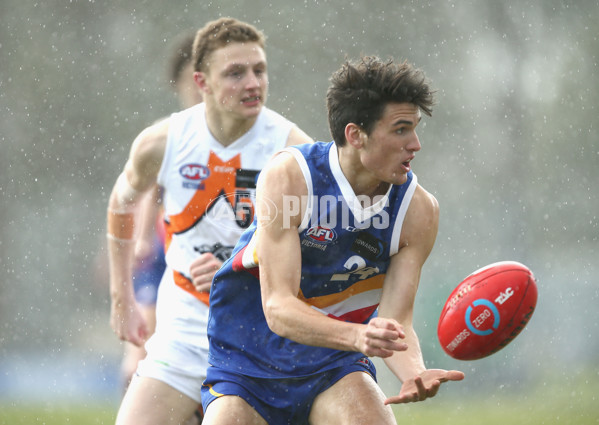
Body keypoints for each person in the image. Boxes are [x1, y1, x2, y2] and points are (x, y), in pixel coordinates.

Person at [201, 56, 465, 425]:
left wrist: (413, 373)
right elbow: (278, 307)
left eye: (415, 129)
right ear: (356, 134)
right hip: (248, 364)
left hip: (332, 364)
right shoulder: (290, 179)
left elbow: (395, 318)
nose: (416, 144)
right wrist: (358, 337)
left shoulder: (418, 212)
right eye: (401, 129)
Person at [106, 18, 313, 425]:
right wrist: (121, 298)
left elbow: (316, 246)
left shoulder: (294, 151)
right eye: (235, 73)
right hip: (183, 330)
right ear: (201, 82)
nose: (253, 83)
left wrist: (236, 267)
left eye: (259, 70)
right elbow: (121, 205)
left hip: (262, 335)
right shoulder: (162, 142)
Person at [118, 30, 204, 395]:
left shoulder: (237, 136)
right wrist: (140, 241)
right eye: (188, 82)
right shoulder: (170, 134)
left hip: (202, 253)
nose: (197, 91)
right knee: (138, 353)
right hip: (164, 250)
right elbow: (144, 192)